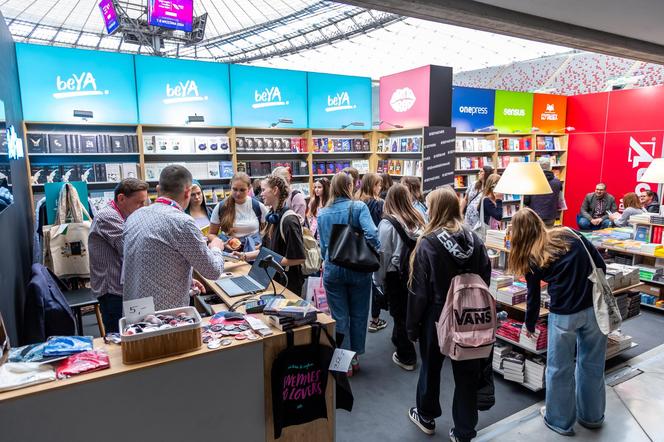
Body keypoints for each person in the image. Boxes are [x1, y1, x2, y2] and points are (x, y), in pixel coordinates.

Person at [508, 208, 608, 437]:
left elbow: (533, 298)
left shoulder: (530, 256)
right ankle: (592, 417)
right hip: (593, 307)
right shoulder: (571, 234)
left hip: (564, 314)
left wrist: (530, 326)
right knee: (592, 364)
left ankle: (560, 421)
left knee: (559, 368)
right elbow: (600, 265)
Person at [407, 186, 491, 441]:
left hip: (436, 313)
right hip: (470, 313)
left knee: (431, 368)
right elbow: (485, 277)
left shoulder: (428, 243)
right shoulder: (475, 240)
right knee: (467, 372)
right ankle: (464, 430)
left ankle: (426, 415)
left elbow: (418, 291)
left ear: (435, 210)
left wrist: (412, 326)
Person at [123, 165, 225, 310]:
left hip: (134, 311)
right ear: (187, 192)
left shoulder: (135, 216)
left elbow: (149, 261)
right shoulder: (182, 222)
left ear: (158, 189)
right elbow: (213, 271)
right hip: (165, 319)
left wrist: (186, 279)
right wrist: (216, 248)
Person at [318, 172, 380, 375]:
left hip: (333, 269)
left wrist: (327, 257)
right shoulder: (358, 206)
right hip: (358, 268)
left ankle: (343, 363)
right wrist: (372, 249)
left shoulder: (323, 212)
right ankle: (354, 358)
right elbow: (372, 233)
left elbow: (323, 246)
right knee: (359, 314)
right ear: (350, 186)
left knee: (339, 316)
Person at [374, 184, 425, 370]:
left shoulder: (387, 224)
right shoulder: (420, 218)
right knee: (411, 309)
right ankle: (402, 338)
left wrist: (378, 279)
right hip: (418, 272)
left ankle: (407, 357)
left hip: (396, 275)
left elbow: (383, 255)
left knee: (398, 312)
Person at [89, 178, 148, 333]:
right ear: (121, 198)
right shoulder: (108, 217)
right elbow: (131, 249)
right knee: (120, 339)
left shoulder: (125, 215)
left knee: (137, 334)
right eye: (139, 203)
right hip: (114, 293)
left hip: (127, 288)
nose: (143, 208)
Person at [239, 175, 306, 296]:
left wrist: (271, 262)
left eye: (264, 190)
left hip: (288, 284)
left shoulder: (289, 220)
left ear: (275, 190)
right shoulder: (272, 216)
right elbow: (266, 252)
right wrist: (244, 255)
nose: (261, 194)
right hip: (273, 280)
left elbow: (299, 258)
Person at [356, 172, 387, 332]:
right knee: (376, 283)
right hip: (373, 247)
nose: (381, 188)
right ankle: (374, 319)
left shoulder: (356, 201)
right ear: (373, 186)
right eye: (379, 185)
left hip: (357, 248)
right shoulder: (379, 203)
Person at [208, 173, 267, 252]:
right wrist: (223, 243)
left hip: (253, 251)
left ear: (249, 188)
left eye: (242, 190)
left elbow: (267, 230)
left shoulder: (258, 206)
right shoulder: (221, 207)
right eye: (235, 189)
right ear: (230, 187)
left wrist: (261, 243)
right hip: (229, 252)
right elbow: (211, 234)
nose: (238, 193)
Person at [524, 158, 562, 227]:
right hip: (551, 215)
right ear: (550, 167)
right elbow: (560, 200)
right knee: (548, 235)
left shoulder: (532, 181)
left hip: (535, 215)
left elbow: (526, 200)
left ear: (538, 167)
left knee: (535, 236)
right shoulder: (557, 182)